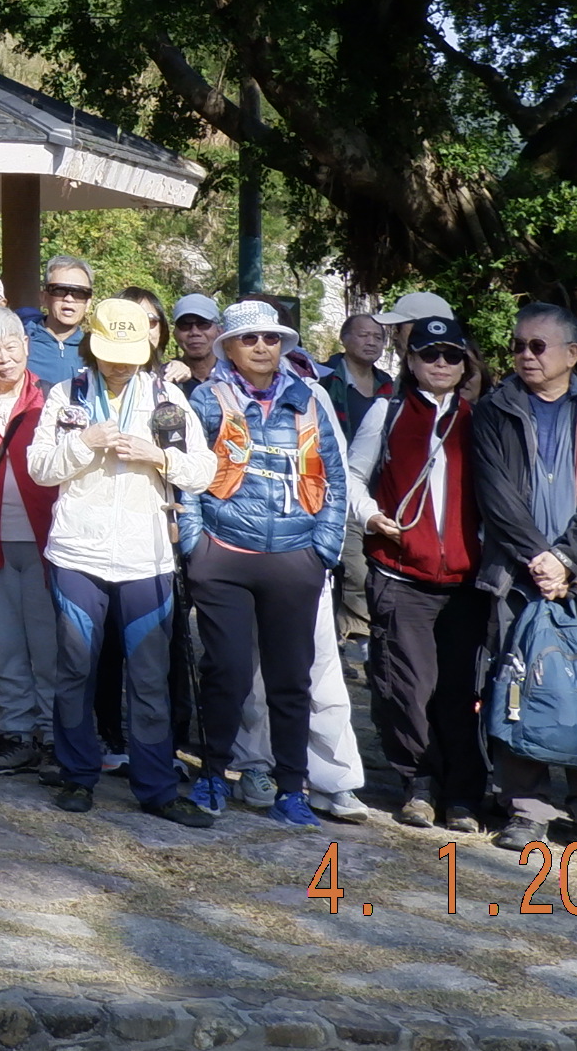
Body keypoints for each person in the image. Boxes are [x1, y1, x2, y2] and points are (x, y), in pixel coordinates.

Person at [28, 296, 214, 819]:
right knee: (75, 670)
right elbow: (40, 468)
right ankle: (77, 776)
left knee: (150, 678)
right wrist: (84, 443)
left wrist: (160, 456)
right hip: (77, 553)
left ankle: (156, 789)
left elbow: (203, 471)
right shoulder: (68, 394)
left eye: (130, 356)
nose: (119, 365)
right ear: (93, 345)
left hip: (145, 557)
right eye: (110, 354)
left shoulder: (166, 399)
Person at [178, 293, 355, 828]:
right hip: (224, 555)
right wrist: (195, 546)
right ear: (229, 347)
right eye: (249, 338)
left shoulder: (308, 398)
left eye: (272, 337)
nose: (262, 346)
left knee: (290, 679)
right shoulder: (207, 399)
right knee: (226, 671)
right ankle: (214, 773)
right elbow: (186, 474)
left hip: (294, 557)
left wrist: (322, 550)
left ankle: (291, 788)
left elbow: (335, 476)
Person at [470, 301, 577, 842]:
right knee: (517, 683)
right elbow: (496, 495)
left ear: (572, 354)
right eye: (518, 346)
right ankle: (525, 808)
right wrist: (539, 557)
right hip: (515, 575)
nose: (525, 355)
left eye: (538, 346)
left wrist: (568, 558)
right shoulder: (494, 409)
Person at [353, 320, 487, 828]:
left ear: (465, 363)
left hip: (466, 583)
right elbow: (352, 475)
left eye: (452, 355)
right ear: (411, 361)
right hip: (400, 573)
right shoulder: (386, 412)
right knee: (406, 687)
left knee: (460, 691)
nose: (441, 364)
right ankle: (419, 783)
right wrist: (370, 516)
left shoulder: (482, 419)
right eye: (430, 354)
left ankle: (464, 795)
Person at [0, 302, 66, 777]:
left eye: (11, 346)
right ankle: (15, 734)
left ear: (26, 345)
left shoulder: (52, 398)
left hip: (46, 538)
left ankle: (52, 735)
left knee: (48, 645)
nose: (3, 358)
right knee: (3, 643)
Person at [21, 256, 101, 385]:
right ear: (44, 298)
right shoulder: (18, 344)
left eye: (79, 293)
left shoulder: (97, 351)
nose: (69, 299)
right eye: (59, 291)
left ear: (88, 303)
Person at [318, 308, 394, 424]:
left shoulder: (386, 383)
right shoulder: (323, 377)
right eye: (363, 335)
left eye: (378, 337)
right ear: (343, 339)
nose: (371, 342)